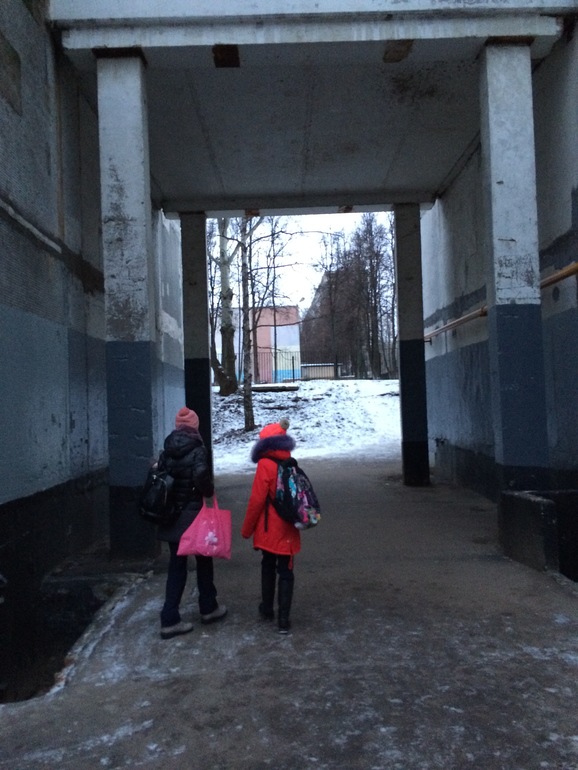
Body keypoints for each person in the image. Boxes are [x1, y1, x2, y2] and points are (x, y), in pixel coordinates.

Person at [157, 407, 227, 639]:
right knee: (204, 560)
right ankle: (208, 607)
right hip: (194, 515)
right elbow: (201, 476)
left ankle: (170, 618)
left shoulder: (167, 450)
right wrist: (208, 490)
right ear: (195, 426)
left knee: (176, 566)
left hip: (171, 515)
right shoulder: (197, 449)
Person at [241, 418, 300, 634]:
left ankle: (267, 609)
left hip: (269, 527)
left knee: (268, 564)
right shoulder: (291, 463)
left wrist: (247, 529)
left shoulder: (265, 465)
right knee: (286, 570)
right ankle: (284, 620)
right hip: (288, 525)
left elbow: (257, 500)